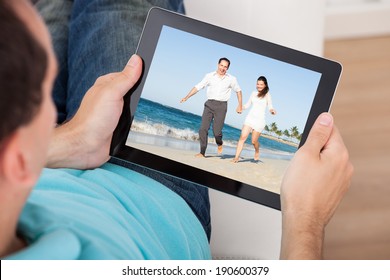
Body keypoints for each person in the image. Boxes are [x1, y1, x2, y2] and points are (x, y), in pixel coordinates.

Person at [0, 0, 353, 260]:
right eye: (43, 89)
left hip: (63, 156)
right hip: (141, 190)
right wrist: (307, 220)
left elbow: (243, 93)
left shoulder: (232, 80)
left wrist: (68, 141)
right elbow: (200, 88)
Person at [180, 58, 243, 157]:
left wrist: (240, 105)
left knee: (217, 132)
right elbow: (198, 86)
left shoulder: (231, 79)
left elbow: (238, 91)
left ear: (228, 68)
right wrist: (187, 96)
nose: (222, 68)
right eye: (221, 65)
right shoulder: (209, 76)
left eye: (225, 67)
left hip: (221, 106)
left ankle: (220, 143)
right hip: (209, 104)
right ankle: (202, 152)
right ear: (218, 64)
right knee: (203, 129)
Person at [232, 76, 276, 163]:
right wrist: (240, 107)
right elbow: (247, 105)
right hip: (250, 118)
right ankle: (236, 158)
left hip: (259, 121)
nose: (259, 86)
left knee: (253, 141)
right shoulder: (253, 93)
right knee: (242, 137)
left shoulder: (267, 95)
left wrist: (272, 110)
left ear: (265, 85)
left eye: (261, 84)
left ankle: (257, 151)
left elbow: (270, 106)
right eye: (257, 84)